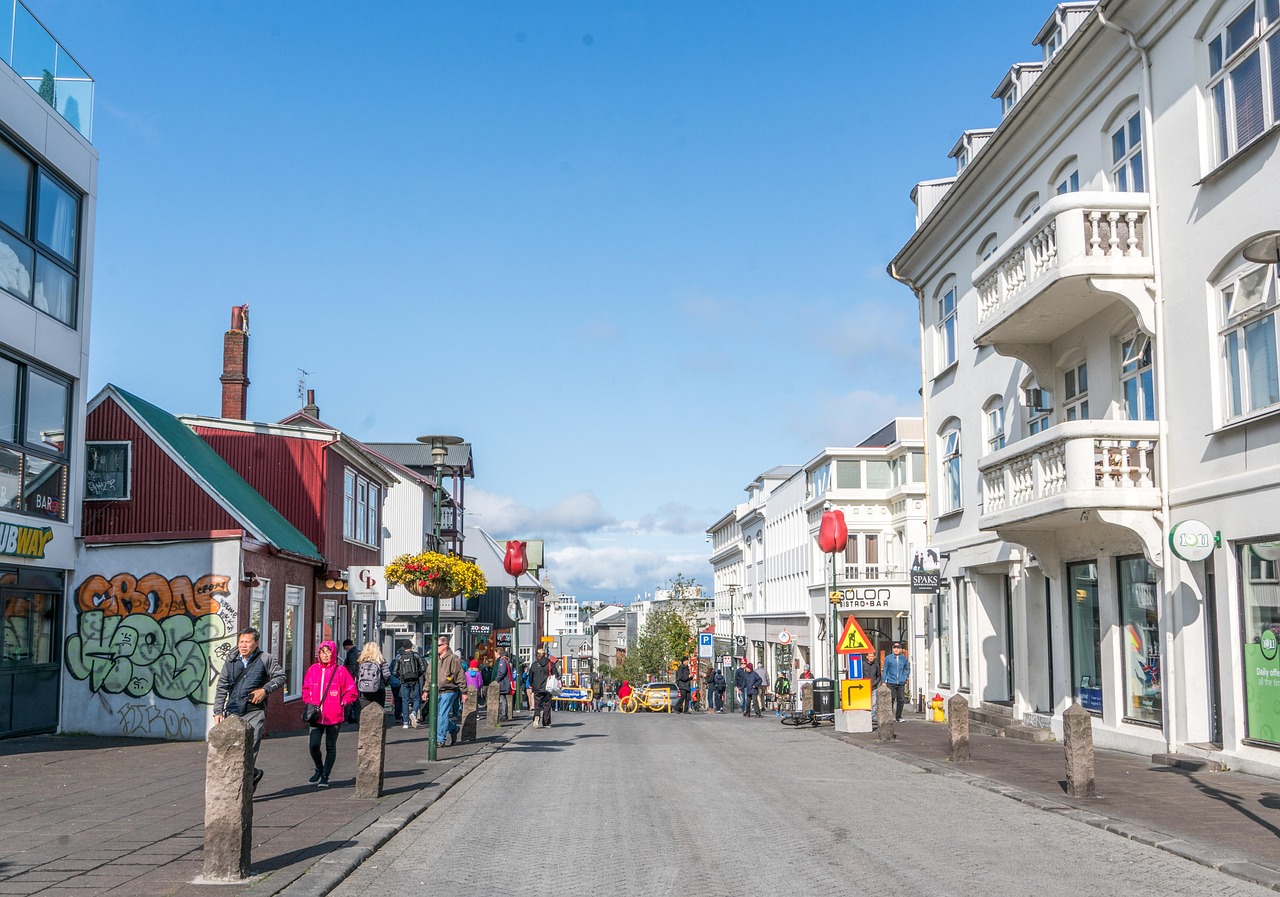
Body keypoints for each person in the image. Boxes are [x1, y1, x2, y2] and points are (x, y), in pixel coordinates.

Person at [213, 627, 285, 793]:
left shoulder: (265, 659)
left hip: (254, 710)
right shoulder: (231, 660)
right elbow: (222, 686)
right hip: (233, 712)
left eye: (247, 642)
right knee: (230, 750)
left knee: (249, 749)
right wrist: (218, 711)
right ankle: (252, 775)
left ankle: (242, 789)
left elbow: (280, 677)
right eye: (241, 642)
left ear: (256, 643)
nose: (243, 645)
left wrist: (265, 690)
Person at [301, 640, 358, 788]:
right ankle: (319, 768)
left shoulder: (340, 671)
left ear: (333, 653)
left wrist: (343, 702)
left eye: (328, 652)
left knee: (330, 746)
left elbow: (351, 691)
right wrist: (308, 701)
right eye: (322, 652)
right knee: (313, 745)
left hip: (334, 716)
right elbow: (306, 688)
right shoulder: (313, 670)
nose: (325, 655)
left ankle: (325, 775)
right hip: (316, 714)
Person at [426, 635, 463, 748]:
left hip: (449, 690)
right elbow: (429, 676)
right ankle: (454, 728)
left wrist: (464, 692)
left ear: (445, 645)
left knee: (442, 714)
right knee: (437, 716)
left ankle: (440, 739)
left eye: (438, 645)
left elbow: (460, 675)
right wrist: (425, 690)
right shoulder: (434, 659)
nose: (435, 648)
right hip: (436, 691)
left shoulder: (453, 658)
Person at [393, 642, 426, 730]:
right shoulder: (416, 655)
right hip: (415, 680)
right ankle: (414, 713)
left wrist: (401, 677)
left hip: (404, 681)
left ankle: (405, 722)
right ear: (411, 647)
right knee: (416, 699)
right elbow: (423, 668)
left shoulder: (400, 657)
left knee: (405, 701)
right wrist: (417, 675)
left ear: (403, 648)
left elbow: (394, 672)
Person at [355, 643, 391, 713]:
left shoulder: (360, 661)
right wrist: (385, 684)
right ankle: (378, 723)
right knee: (379, 712)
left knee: (364, 712)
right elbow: (387, 675)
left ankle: (365, 723)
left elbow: (356, 674)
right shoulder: (381, 660)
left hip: (363, 689)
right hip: (379, 689)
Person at [529, 647, 559, 728]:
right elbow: (556, 675)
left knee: (537, 704)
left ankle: (536, 716)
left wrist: (532, 684)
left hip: (537, 688)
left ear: (538, 655)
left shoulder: (534, 664)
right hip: (547, 688)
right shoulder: (550, 664)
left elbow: (530, 676)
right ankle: (546, 722)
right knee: (547, 704)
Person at [883, 641, 911, 723]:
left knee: (901, 699)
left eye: (898, 648)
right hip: (891, 681)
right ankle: (889, 717)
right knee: (891, 698)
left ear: (901, 649)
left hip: (901, 682)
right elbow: (885, 670)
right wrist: (884, 680)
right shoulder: (888, 658)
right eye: (894, 648)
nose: (896, 649)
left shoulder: (903, 658)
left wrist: (905, 676)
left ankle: (898, 717)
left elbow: (908, 668)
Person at [492, 648, 512, 722]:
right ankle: (503, 714)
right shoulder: (507, 661)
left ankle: (503, 715)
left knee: (502, 699)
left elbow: (502, 672)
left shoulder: (502, 661)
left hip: (503, 683)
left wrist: (496, 680)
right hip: (505, 682)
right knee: (503, 699)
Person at [864, 648, 882, 720]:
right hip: (864, 687)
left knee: (874, 703)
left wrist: (875, 683)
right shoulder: (863, 664)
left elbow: (879, 676)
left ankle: (871, 717)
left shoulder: (876, 665)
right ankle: (866, 717)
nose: (871, 658)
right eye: (870, 656)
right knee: (866, 703)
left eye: (872, 656)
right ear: (867, 657)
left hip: (874, 687)